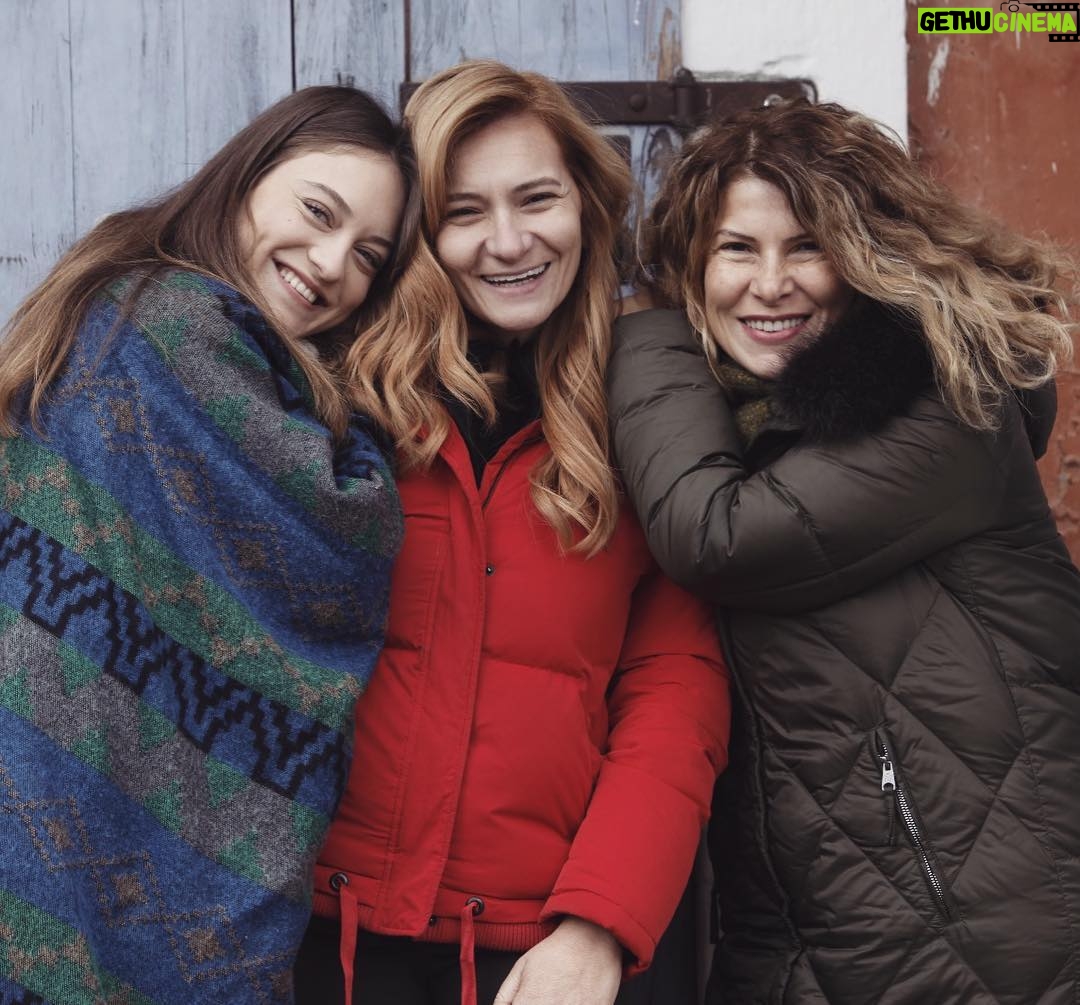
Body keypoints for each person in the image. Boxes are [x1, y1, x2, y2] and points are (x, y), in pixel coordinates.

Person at [607, 97, 1080, 1003]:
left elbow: (716, 536)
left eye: (808, 246)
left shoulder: (947, 402)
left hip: (983, 952)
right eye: (736, 248)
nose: (770, 283)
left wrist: (645, 329)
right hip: (814, 948)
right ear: (695, 264)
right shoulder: (739, 421)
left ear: (869, 256)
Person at [295, 59, 731, 1005]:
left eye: (537, 198)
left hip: (541, 956)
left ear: (587, 204)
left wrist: (600, 924)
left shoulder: (644, 417)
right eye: (464, 212)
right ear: (420, 235)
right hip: (319, 936)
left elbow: (674, 692)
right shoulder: (340, 398)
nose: (508, 241)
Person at [0, 85, 418, 1003]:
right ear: (246, 177)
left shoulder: (180, 328)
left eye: (368, 256)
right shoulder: (159, 329)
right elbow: (342, 531)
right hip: (44, 796)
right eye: (319, 213)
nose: (331, 264)